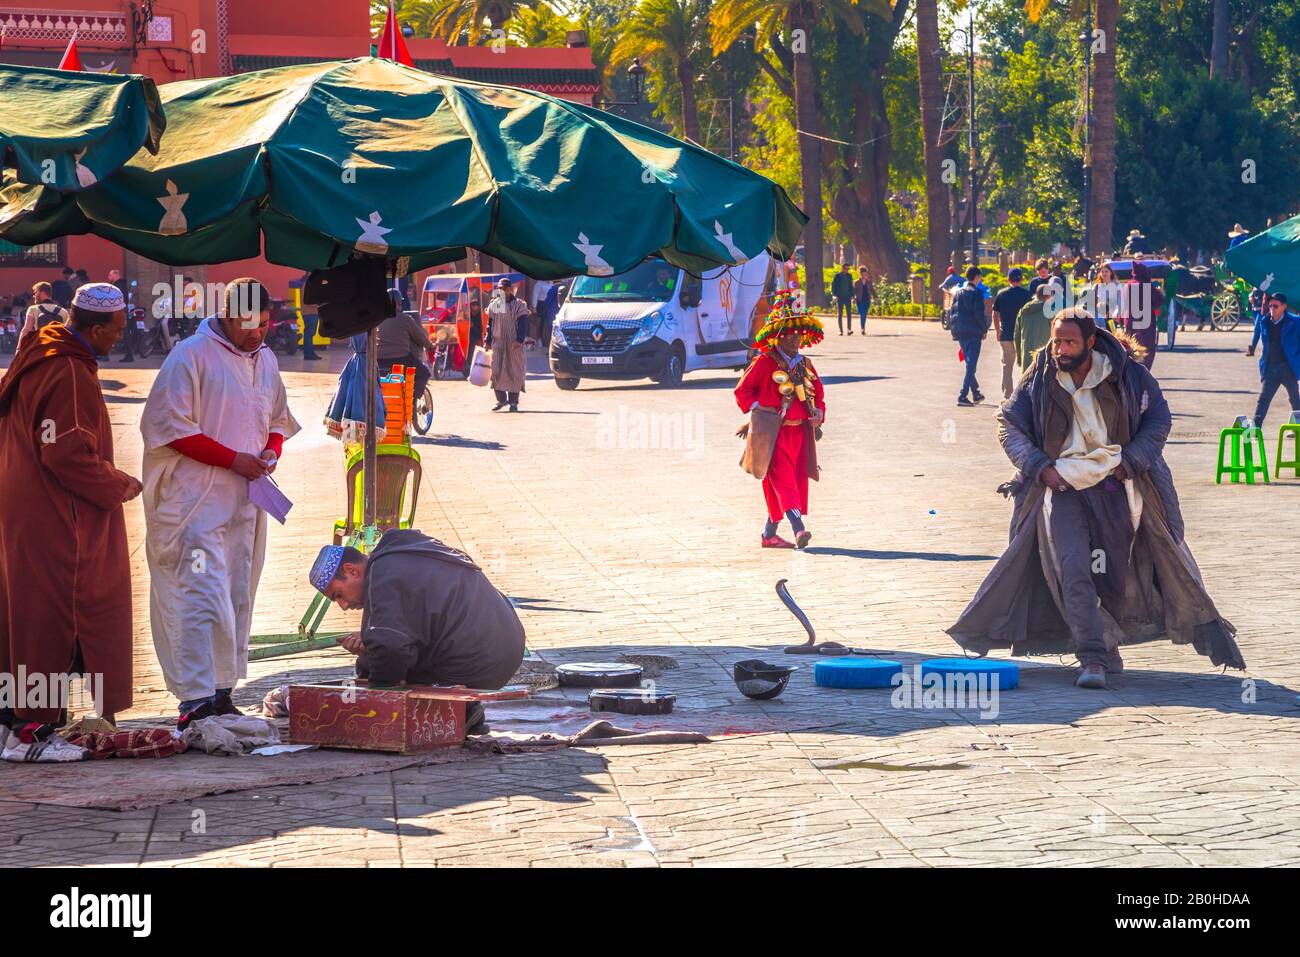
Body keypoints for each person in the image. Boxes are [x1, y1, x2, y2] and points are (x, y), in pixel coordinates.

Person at [948, 308, 1244, 689]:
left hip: (1117, 490)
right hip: (1064, 491)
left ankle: (1107, 643)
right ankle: (1091, 657)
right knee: (1073, 568)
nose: (1061, 349)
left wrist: (1132, 461)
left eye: (1070, 341)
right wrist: (1040, 468)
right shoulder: (1039, 378)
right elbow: (1009, 423)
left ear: (1090, 341)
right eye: (1057, 341)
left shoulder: (1128, 374)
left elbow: (1159, 419)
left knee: (1112, 573)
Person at [140, 278, 301, 730]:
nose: (257, 334)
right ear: (227, 317)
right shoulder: (190, 355)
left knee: (235, 595)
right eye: (248, 325)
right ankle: (194, 698)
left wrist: (270, 452)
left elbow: (277, 420)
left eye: (265, 324)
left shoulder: (266, 359)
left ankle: (223, 693)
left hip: (243, 505)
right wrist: (233, 459)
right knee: (198, 596)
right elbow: (168, 427)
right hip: (193, 505)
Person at [0, 284, 142, 760]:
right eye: (116, 331)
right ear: (95, 328)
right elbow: (66, 454)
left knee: (23, 615)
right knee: (59, 613)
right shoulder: (70, 371)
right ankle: (32, 733)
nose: (119, 339)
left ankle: (13, 722)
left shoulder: (39, 350)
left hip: (23, 504)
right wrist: (118, 484)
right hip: (57, 512)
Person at [309, 531, 526, 733]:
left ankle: (459, 711)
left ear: (351, 570)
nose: (344, 606)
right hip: (506, 647)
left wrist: (379, 694)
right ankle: (461, 709)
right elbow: (413, 623)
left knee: (380, 665)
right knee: (376, 658)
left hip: (476, 660)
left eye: (338, 595)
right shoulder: (401, 555)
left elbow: (390, 647)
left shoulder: (382, 575)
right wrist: (370, 643)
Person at [734, 290, 826, 549]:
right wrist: (760, 411)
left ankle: (768, 535)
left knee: (792, 483)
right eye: (790, 334)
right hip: (771, 436)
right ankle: (799, 531)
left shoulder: (805, 364)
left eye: (799, 334)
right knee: (784, 482)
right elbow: (742, 391)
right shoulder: (764, 363)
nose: (795, 339)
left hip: (799, 435)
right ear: (778, 336)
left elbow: (818, 396)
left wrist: (818, 412)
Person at [1247, 293, 1300, 428]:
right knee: (1263, 400)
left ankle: (1297, 428)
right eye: (1270, 306)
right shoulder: (1264, 321)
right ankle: (1255, 428)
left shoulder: (1295, 322)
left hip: (1288, 368)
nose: (1272, 309)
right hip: (1271, 368)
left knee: (1295, 400)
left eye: (1275, 306)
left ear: (1284, 307)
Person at [375, 292, 433, 399]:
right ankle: (412, 400)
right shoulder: (406, 319)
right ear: (398, 304)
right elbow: (419, 337)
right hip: (401, 360)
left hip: (378, 361)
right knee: (424, 373)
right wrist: (431, 346)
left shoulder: (376, 319)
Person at [486, 277, 532, 412]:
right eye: (499, 289)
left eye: (504, 289)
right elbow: (490, 324)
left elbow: (523, 323)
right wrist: (487, 341)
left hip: (514, 344)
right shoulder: (495, 305)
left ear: (510, 290)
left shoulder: (519, 305)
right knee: (496, 370)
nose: (501, 292)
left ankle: (513, 402)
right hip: (498, 343)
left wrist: (519, 340)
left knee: (514, 371)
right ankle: (501, 400)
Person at [950, 266, 990, 406]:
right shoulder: (976, 293)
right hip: (973, 332)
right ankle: (962, 395)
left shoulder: (957, 292)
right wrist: (984, 329)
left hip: (960, 332)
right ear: (976, 277)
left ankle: (976, 393)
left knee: (969, 363)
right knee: (971, 365)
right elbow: (979, 315)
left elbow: (952, 312)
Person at [992, 267, 1031, 400]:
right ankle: (1023, 395)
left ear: (1008, 279)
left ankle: (1007, 396)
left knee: (1007, 367)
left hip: (1006, 334)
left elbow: (995, 315)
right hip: (1022, 335)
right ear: (1021, 279)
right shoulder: (1027, 295)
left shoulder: (1001, 294)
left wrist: (997, 331)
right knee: (1025, 366)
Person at [1013, 279, 1062, 371]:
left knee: (1027, 383)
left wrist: (1019, 356)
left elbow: (1017, 336)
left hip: (1026, 356)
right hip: (1044, 357)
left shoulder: (1023, 311)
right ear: (1049, 296)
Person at [1122, 260, 1162, 370]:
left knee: (1132, 349)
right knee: (1146, 349)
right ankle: (1143, 373)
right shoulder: (1146, 285)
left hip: (1129, 323)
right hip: (1146, 326)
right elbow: (1159, 300)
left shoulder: (1127, 285)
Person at [18, 281, 69, 351]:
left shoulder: (33, 309)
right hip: (58, 350)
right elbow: (68, 333)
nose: (34, 296)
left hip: (40, 349)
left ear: (42, 293)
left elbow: (26, 330)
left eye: (35, 293)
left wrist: (19, 349)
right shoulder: (63, 311)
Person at [1089, 262, 1124, 331]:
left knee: (1112, 335)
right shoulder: (1096, 286)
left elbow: (1120, 302)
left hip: (1113, 317)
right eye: (1102, 272)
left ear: (1110, 272)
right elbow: (1091, 302)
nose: (1104, 273)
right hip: (1099, 318)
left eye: (1106, 271)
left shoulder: (1117, 285)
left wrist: (1116, 313)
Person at [831, 263, 855, 335]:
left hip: (847, 297)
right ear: (842, 268)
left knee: (849, 314)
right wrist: (834, 295)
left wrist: (853, 296)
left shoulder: (849, 276)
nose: (847, 270)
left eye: (848, 269)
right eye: (846, 269)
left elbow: (851, 287)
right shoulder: (837, 276)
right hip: (839, 297)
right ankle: (841, 331)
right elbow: (833, 286)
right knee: (840, 314)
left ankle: (849, 329)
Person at [853, 266, 873, 334]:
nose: (864, 275)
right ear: (860, 274)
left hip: (867, 300)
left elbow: (872, 290)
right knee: (862, 314)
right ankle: (862, 329)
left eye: (865, 274)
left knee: (864, 314)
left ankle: (863, 328)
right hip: (859, 300)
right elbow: (853, 291)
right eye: (863, 274)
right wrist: (853, 298)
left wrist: (876, 297)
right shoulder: (856, 282)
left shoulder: (868, 282)